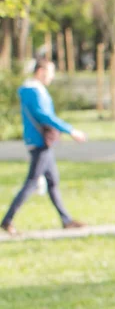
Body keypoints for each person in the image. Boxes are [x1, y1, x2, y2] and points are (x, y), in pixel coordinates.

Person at [1, 59, 87, 235]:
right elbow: (44, 115)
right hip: (39, 141)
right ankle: (7, 220)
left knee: (52, 181)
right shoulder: (33, 91)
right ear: (40, 71)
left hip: (41, 141)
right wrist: (70, 130)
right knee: (32, 182)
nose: (52, 77)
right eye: (50, 72)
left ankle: (66, 219)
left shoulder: (34, 90)